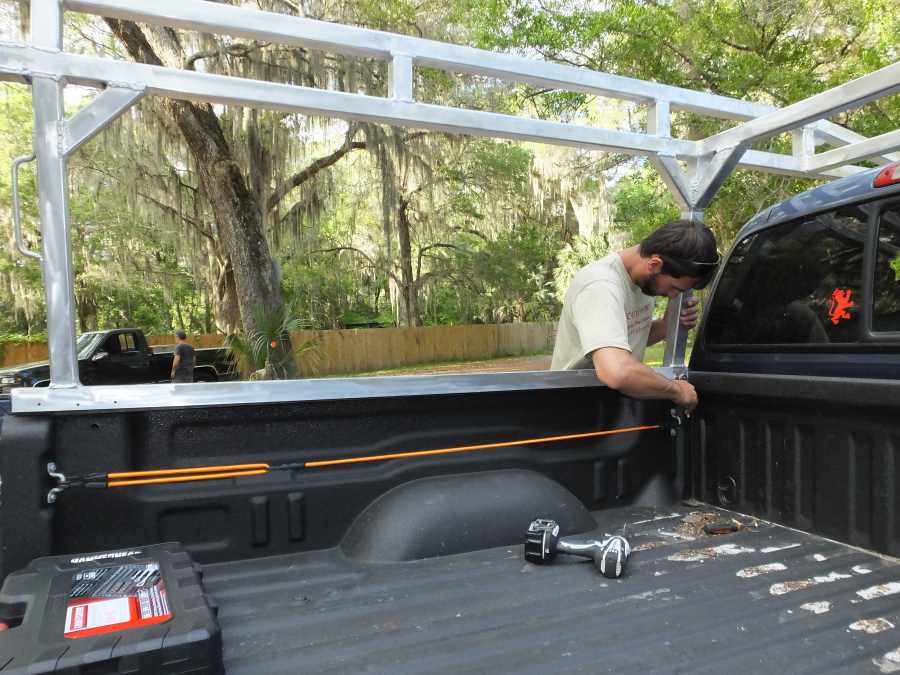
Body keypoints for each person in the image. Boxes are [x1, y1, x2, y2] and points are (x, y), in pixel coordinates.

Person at [550, 219, 719, 413]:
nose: (674, 296)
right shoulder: (600, 286)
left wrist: (666, 326)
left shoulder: (642, 282)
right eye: (674, 288)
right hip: (573, 408)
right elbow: (617, 371)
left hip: (609, 406)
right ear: (655, 264)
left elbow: (624, 338)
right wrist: (676, 390)